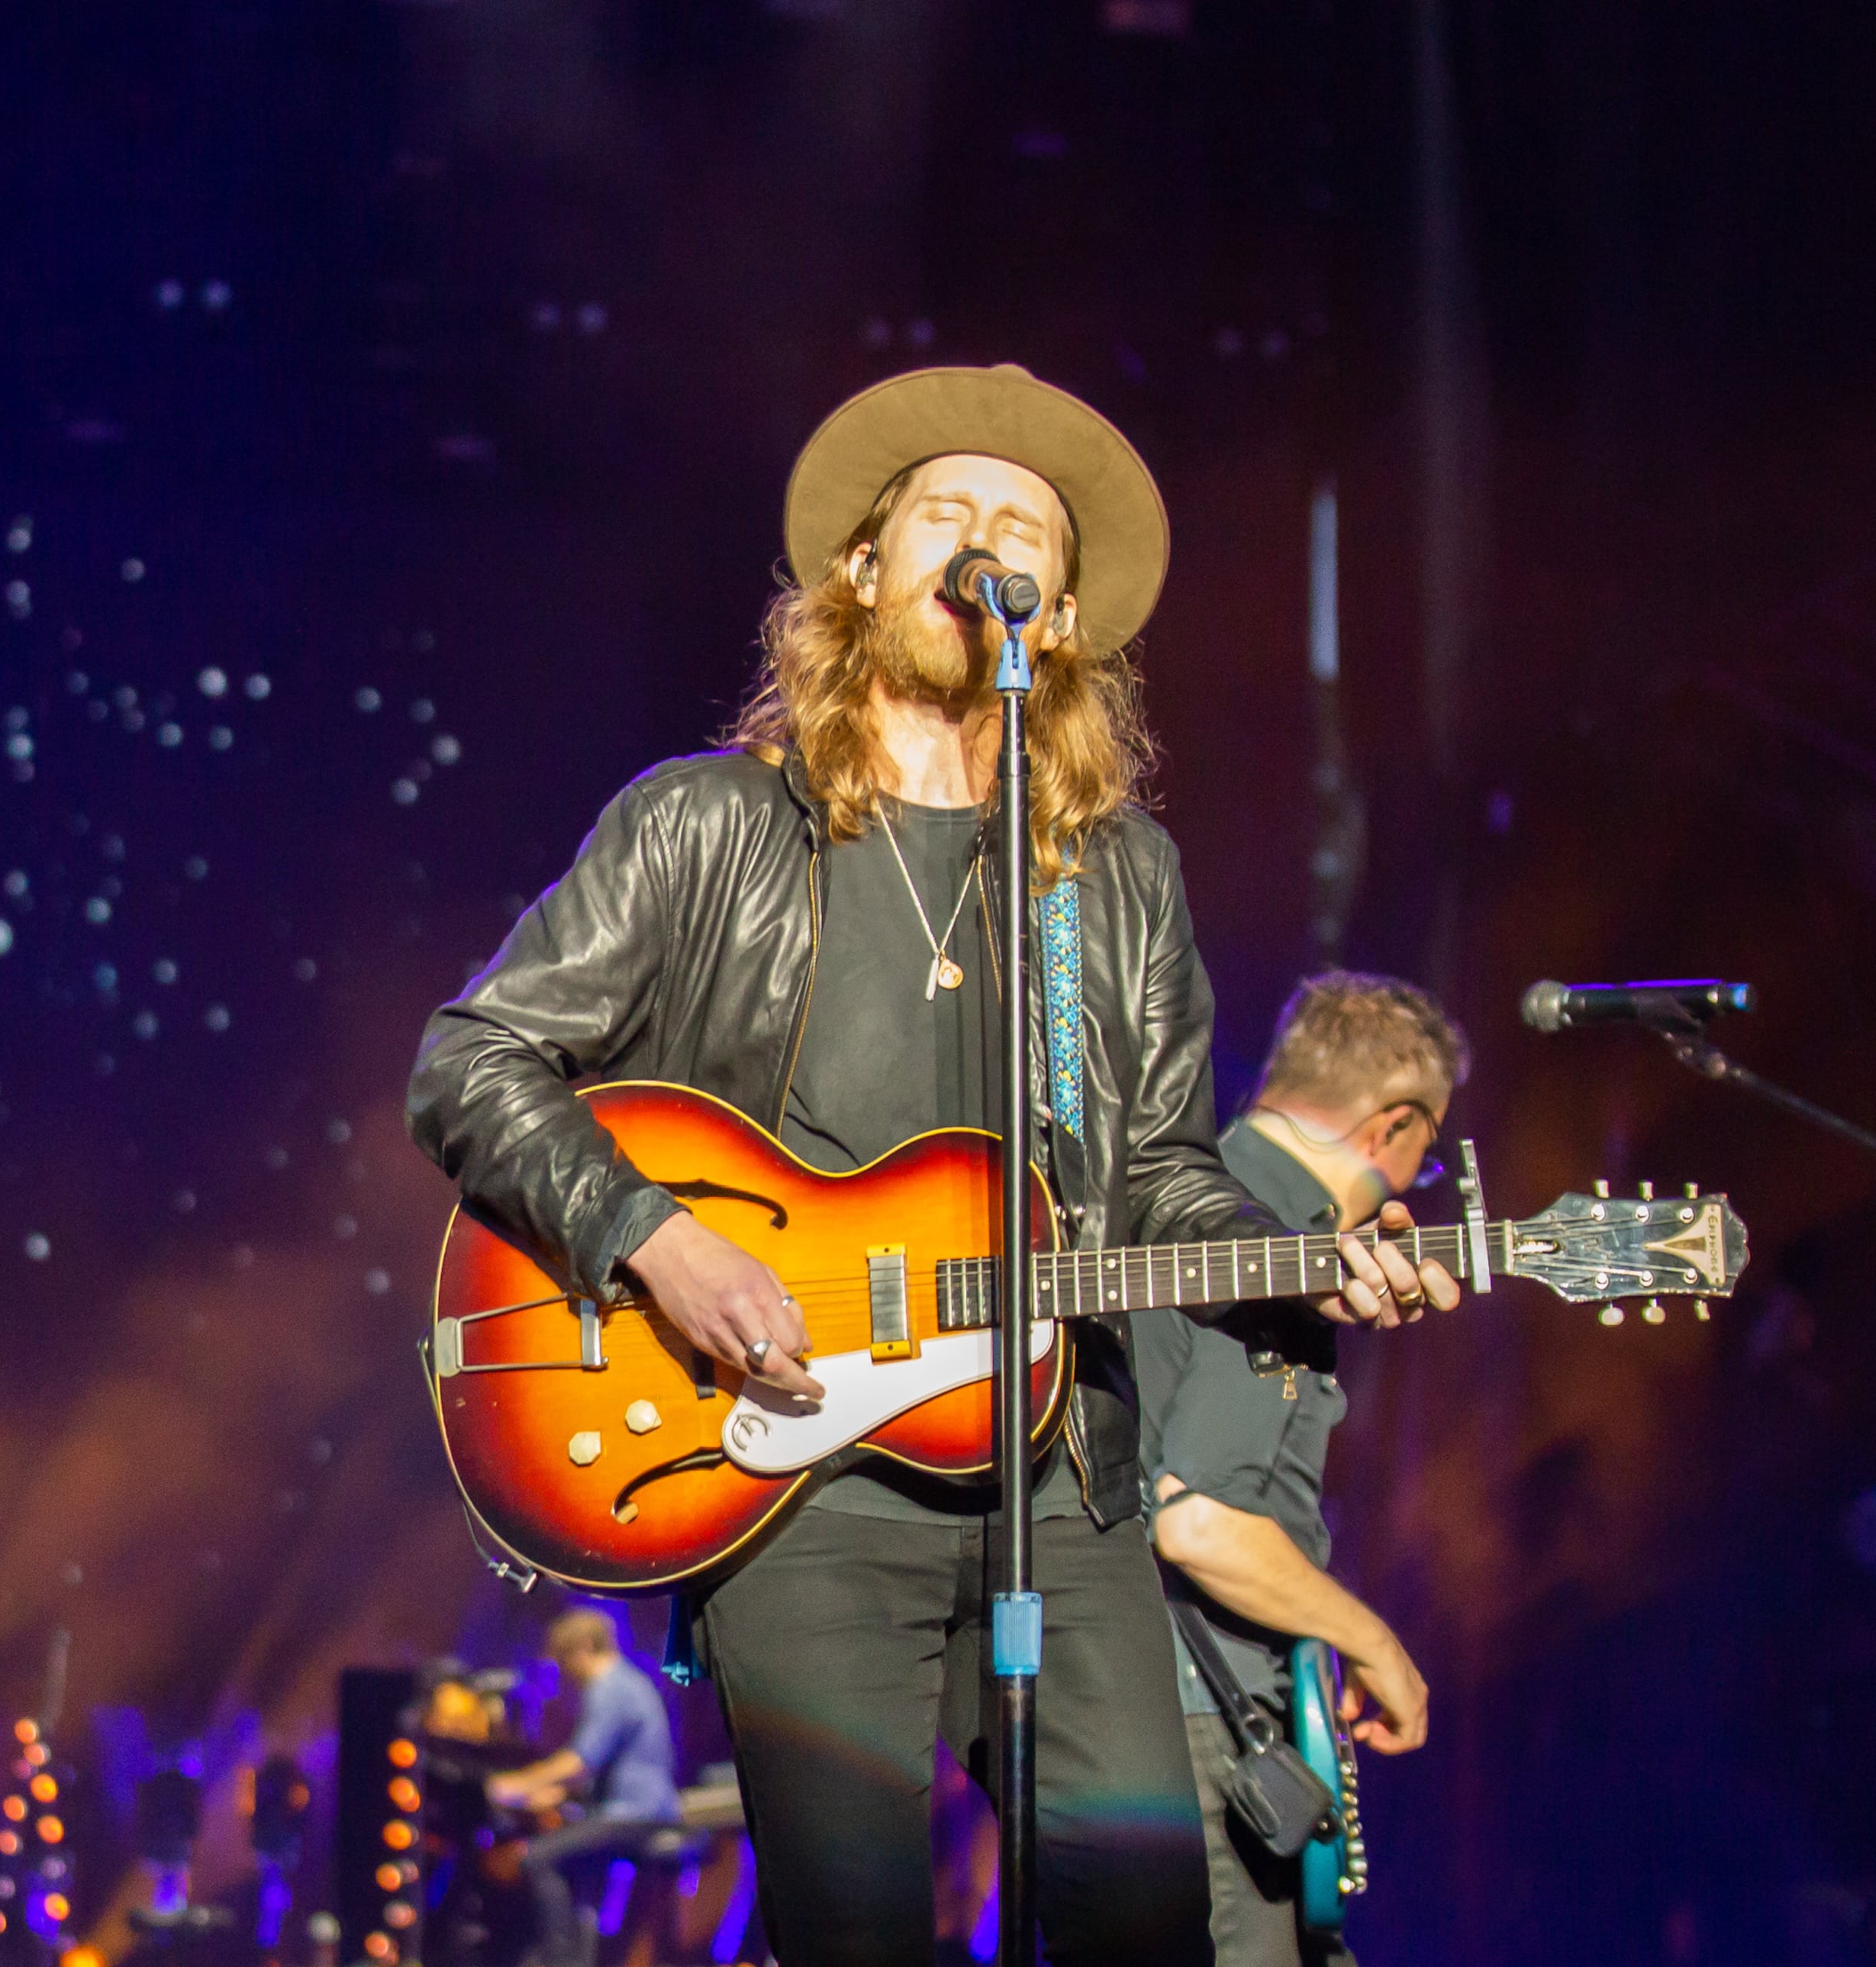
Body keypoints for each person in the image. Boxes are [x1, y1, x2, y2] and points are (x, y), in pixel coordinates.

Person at [405, 363, 1459, 1967]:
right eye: (947, 512)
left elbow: (1163, 1170)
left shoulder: (1114, 880)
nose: (988, 541)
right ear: (862, 570)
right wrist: (655, 1238)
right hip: (792, 1489)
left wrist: (1307, 1254)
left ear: (1064, 611)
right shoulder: (708, 827)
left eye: (1023, 526)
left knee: (1145, 1931)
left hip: (1060, 1476)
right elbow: (469, 1060)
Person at [1137, 972, 1467, 1966]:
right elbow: (1195, 1518)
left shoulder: (1192, 1194)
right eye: (1427, 1150)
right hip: (1196, 1723)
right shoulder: (1274, 1240)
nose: (1415, 1182)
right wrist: (1375, 1642)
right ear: (1391, 1127)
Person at [485, 1610, 682, 1967]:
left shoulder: (611, 1686)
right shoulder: (628, 1682)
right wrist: (552, 1796)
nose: (567, 1674)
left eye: (565, 1659)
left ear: (585, 1648)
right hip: (634, 1813)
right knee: (573, 1863)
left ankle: (560, 1961)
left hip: (635, 1817)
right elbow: (595, 1774)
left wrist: (512, 1784)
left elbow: (580, 1761)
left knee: (536, 1856)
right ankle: (572, 1956)